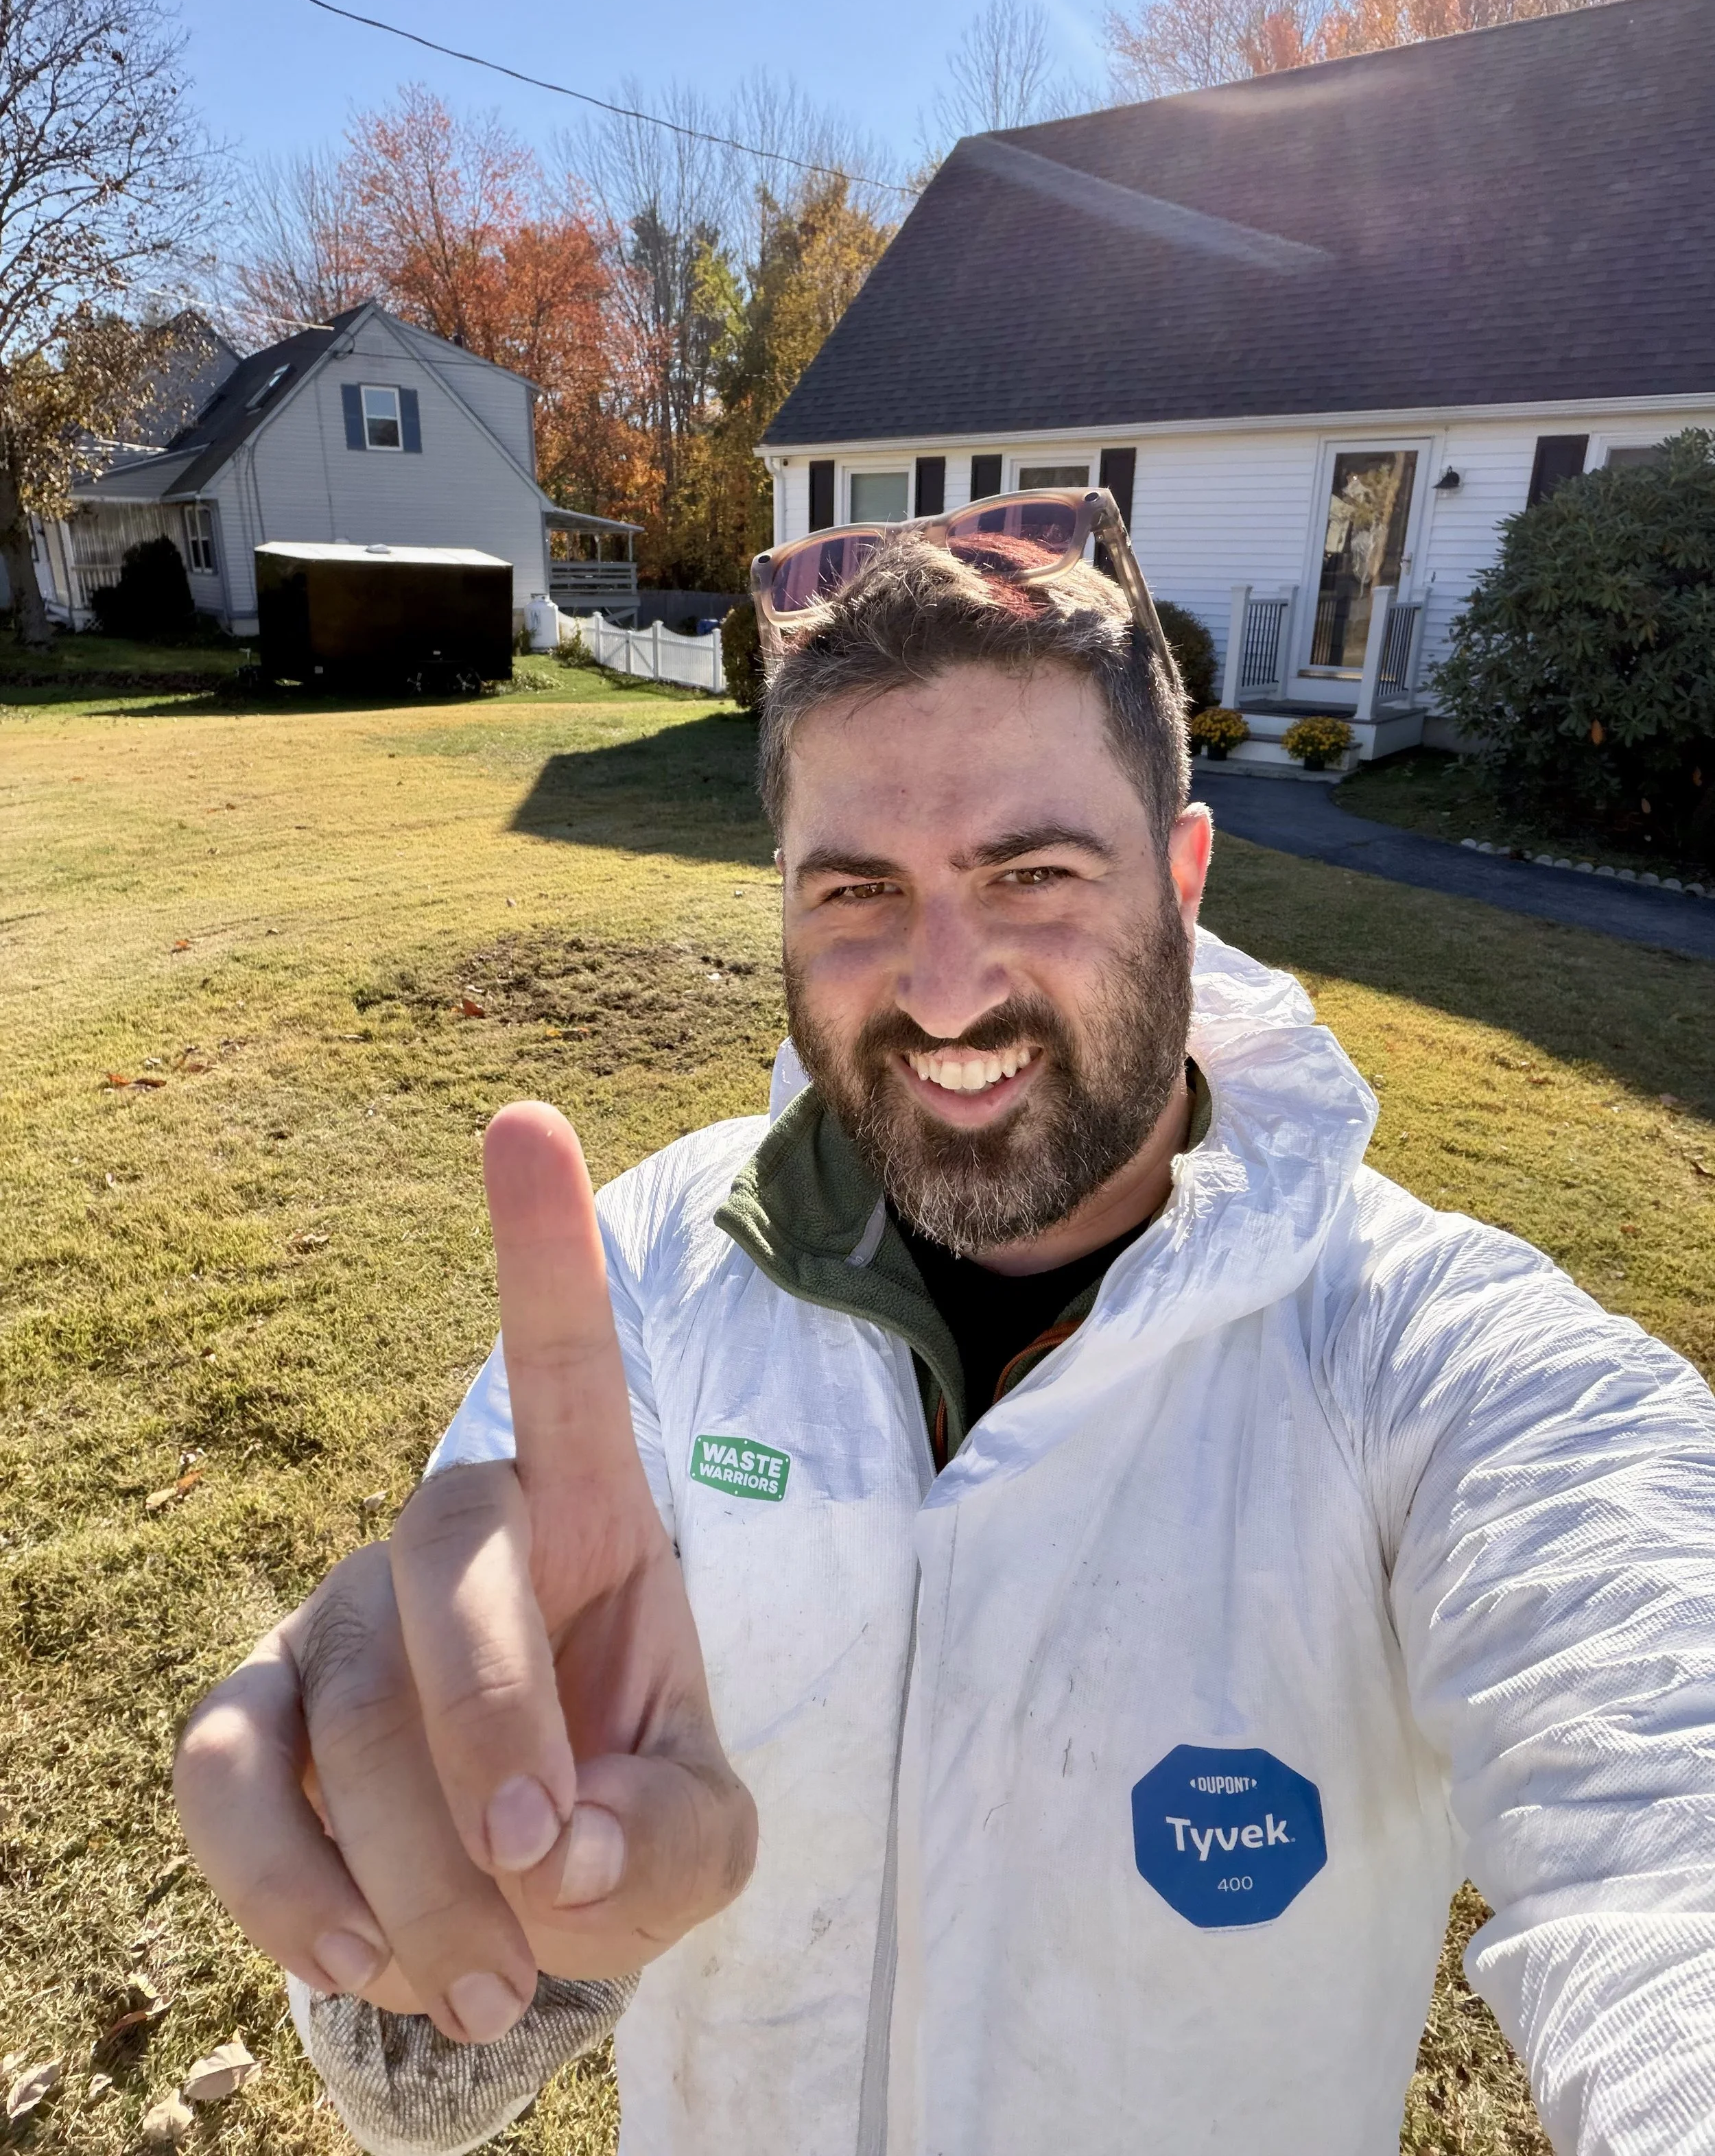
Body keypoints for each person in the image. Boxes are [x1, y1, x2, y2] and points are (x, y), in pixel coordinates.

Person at [176, 493, 1715, 2156]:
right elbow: (422, 2085)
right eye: (855, 891)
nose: (942, 983)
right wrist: (483, 1886)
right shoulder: (645, 1278)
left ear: (1184, 884)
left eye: (1032, 870)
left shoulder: (1438, 1368)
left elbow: (1663, 1820)